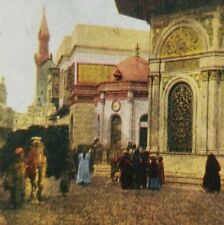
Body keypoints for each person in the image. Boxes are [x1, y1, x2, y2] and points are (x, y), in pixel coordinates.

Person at [26, 136, 47, 203]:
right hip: (34, 167)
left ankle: (39, 196)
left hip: (41, 166)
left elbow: (43, 158)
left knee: (40, 183)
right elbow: (30, 159)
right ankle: (33, 197)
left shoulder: (42, 152)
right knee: (34, 183)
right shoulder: (31, 151)